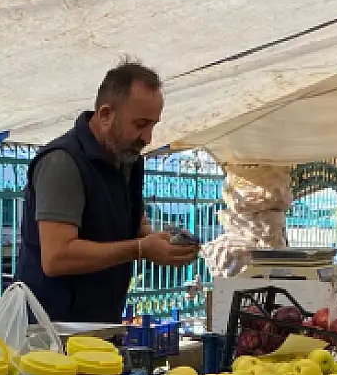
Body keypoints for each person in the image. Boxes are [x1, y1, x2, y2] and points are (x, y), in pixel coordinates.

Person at [15, 59, 199, 321]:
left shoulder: (128, 159)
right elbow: (56, 258)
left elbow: (134, 221)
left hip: (99, 325)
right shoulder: (62, 162)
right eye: (140, 124)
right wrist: (140, 249)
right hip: (48, 331)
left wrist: (159, 242)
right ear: (105, 115)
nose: (148, 138)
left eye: (152, 126)